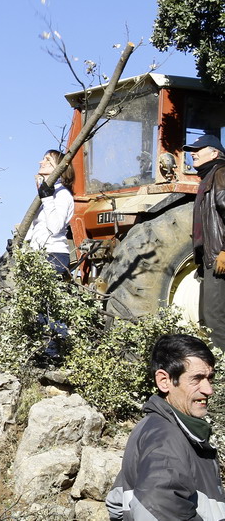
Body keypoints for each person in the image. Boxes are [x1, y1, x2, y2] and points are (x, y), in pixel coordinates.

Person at [106, 333, 225, 520]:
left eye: (210, 378)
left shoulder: (160, 430)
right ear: (164, 381)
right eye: (197, 379)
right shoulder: (164, 440)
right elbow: (154, 509)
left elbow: (117, 503)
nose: (208, 390)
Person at [184, 134, 225, 351]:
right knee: (210, 319)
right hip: (212, 259)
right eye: (192, 150)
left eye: (198, 149)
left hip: (220, 258)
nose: (193, 153)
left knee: (215, 319)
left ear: (214, 153)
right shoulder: (209, 177)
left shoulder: (221, 174)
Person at [24, 149, 75, 275]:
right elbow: (35, 227)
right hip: (37, 255)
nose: (41, 162)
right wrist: (20, 244)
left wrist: (47, 199)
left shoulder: (62, 194)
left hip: (54, 256)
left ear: (59, 167)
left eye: (48, 160)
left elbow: (55, 228)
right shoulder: (44, 194)